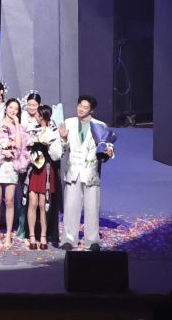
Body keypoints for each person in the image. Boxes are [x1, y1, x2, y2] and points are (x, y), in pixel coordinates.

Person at [50, 94, 114, 250]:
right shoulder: (69, 123)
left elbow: (107, 146)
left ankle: (92, 241)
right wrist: (63, 138)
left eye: (85, 107)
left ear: (91, 110)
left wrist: (109, 152)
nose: (81, 109)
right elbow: (63, 148)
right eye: (80, 106)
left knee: (92, 207)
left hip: (90, 172)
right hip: (73, 171)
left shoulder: (100, 125)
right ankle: (69, 239)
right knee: (70, 206)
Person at [0, 98, 25, 251]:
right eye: (10, 107)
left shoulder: (19, 127)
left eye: (16, 109)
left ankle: (8, 235)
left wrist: (16, 124)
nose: (13, 111)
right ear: (6, 108)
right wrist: (2, 152)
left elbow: (19, 146)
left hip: (11, 166)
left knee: (9, 201)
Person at [24, 103, 57, 250]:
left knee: (43, 204)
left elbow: (56, 151)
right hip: (34, 169)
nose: (35, 117)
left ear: (43, 116)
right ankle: (32, 235)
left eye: (38, 115)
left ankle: (43, 235)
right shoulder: (32, 129)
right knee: (33, 203)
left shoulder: (52, 131)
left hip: (46, 170)